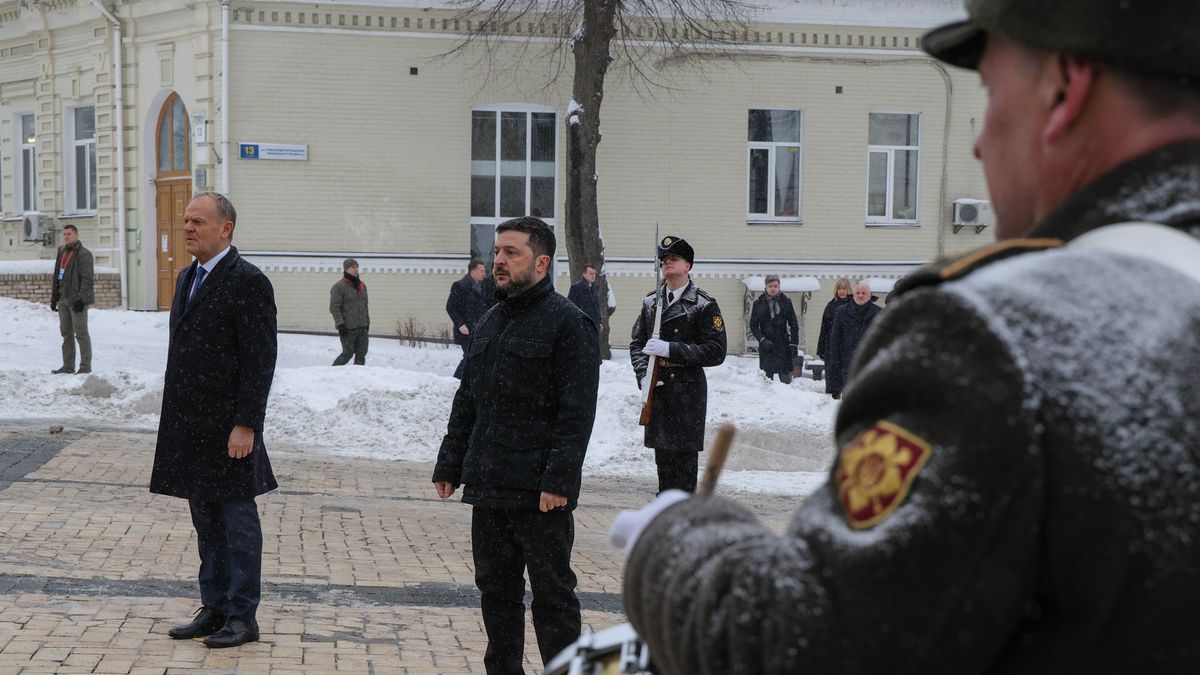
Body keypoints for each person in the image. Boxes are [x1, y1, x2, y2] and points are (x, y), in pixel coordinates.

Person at [612, 1, 1200, 672]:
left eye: (991, 90)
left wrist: (674, 542)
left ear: (1064, 88)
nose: (979, 141)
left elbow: (808, 646)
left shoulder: (998, 335)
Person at [433, 216, 600, 675]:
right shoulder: (490, 319)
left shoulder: (569, 324)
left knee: (552, 596)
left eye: (512, 253)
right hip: (489, 484)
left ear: (542, 263)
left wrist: (560, 480)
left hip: (539, 491)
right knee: (496, 592)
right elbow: (468, 398)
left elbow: (576, 413)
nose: (499, 261)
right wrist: (450, 463)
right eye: (498, 252)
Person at [151, 192, 278, 649]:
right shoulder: (187, 277)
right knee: (206, 522)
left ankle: (243, 615)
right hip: (192, 427)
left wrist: (247, 423)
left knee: (238, 525)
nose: (187, 228)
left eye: (198, 221)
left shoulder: (248, 281)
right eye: (185, 220)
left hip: (230, 430)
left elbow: (260, 360)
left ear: (225, 228)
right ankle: (215, 606)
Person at [630, 236, 727, 493]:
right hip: (659, 391)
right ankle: (665, 520)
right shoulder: (651, 302)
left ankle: (682, 523)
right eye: (664, 260)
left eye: (674, 259)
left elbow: (716, 351)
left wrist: (671, 349)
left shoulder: (704, 304)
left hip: (687, 393)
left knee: (684, 472)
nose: (667, 263)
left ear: (688, 266)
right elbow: (637, 344)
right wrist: (643, 376)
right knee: (664, 467)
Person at [49, 224, 94, 374]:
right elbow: (57, 274)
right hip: (63, 299)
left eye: (69, 234)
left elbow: (87, 279)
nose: (66, 236)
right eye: (65, 234)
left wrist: (82, 300)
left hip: (77, 301)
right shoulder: (62, 251)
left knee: (81, 333)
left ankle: (85, 366)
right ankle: (68, 366)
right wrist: (54, 298)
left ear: (76, 235)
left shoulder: (84, 254)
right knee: (66, 333)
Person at [825, 281, 881, 399]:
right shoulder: (842, 311)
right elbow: (835, 338)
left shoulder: (879, 313)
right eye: (858, 293)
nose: (860, 295)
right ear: (853, 295)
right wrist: (835, 360)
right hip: (847, 361)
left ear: (870, 296)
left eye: (864, 293)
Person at [748, 274, 799, 383]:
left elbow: (793, 324)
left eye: (775, 286)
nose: (773, 288)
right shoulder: (758, 303)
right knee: (767, 382)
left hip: (783, 346)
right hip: (767, 346)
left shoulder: (786, 302)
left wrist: (794, 344)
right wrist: (762, 339)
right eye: (770, 286)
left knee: (785, 381)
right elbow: (753, 325)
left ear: (779, 287)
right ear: (766, 287)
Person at [446, 259, 488, 378]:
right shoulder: (460, 286)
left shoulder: (481, 286)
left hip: (477, 328)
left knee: (473, 355)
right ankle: (457, 379)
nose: (484, 273)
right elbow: (451, 307)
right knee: (469, 355)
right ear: (473, 271)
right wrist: (461, 325)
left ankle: (467, 379)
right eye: (482, 270)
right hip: (465, 329)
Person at [329, 258, 370, 366]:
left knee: (361, 355)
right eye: (353, 267)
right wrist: (340, 324)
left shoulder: (362, 286)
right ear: (346, 269)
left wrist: (367, 322)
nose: (356, 269)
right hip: (348, 328)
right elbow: (334, 308)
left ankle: (357, 377)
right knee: (347, 354)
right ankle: (332, 373)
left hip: (362, 326)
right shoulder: (339, 287)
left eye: (357, 267)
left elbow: (365, 306)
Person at [815, 276, 852, 389]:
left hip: (848, 345)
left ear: (848, 290)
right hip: (831, 345)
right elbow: (824, 328)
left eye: (844, 288)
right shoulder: (830, 306)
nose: (841, 291)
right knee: (833, 377)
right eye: (839, 288)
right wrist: (821, 348)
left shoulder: (853, 306)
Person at [567, 264, 603, 331]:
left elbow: (596, 306)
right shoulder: (576, 288)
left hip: (594, 325)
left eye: (594, 274)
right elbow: (570, 306)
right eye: (591, 274)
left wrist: (599, 322)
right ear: (584, 274)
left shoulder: (595, 288)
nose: (593, 276)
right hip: (582, 325)